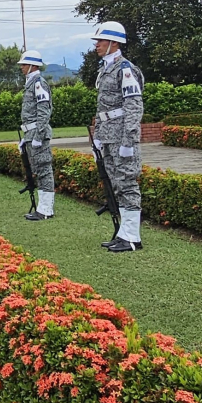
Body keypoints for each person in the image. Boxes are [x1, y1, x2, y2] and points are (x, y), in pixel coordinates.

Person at [90, 21, 144, 253]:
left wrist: (129, 140)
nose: (97, 45)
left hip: (122, 135)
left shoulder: (125, 69)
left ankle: (132, 236)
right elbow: (103, 107)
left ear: (114, 42)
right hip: (109, 135)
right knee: (116, 183)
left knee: (127, 183)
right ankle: (123, 233)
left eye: (100, 41)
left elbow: (133, 105)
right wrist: (99, 137)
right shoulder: (105, 69)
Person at [17, 50, 54, 220]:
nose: (22, 68)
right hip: (31, 133)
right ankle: (42, 207)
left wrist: (39, 135)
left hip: (37, 134)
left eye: (24, 64)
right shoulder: (31, 83)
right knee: (38, 170)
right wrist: (27, 137)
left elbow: (43, 111)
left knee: (44, 170)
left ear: (32, 65)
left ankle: (46, 209)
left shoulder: (38, 83)